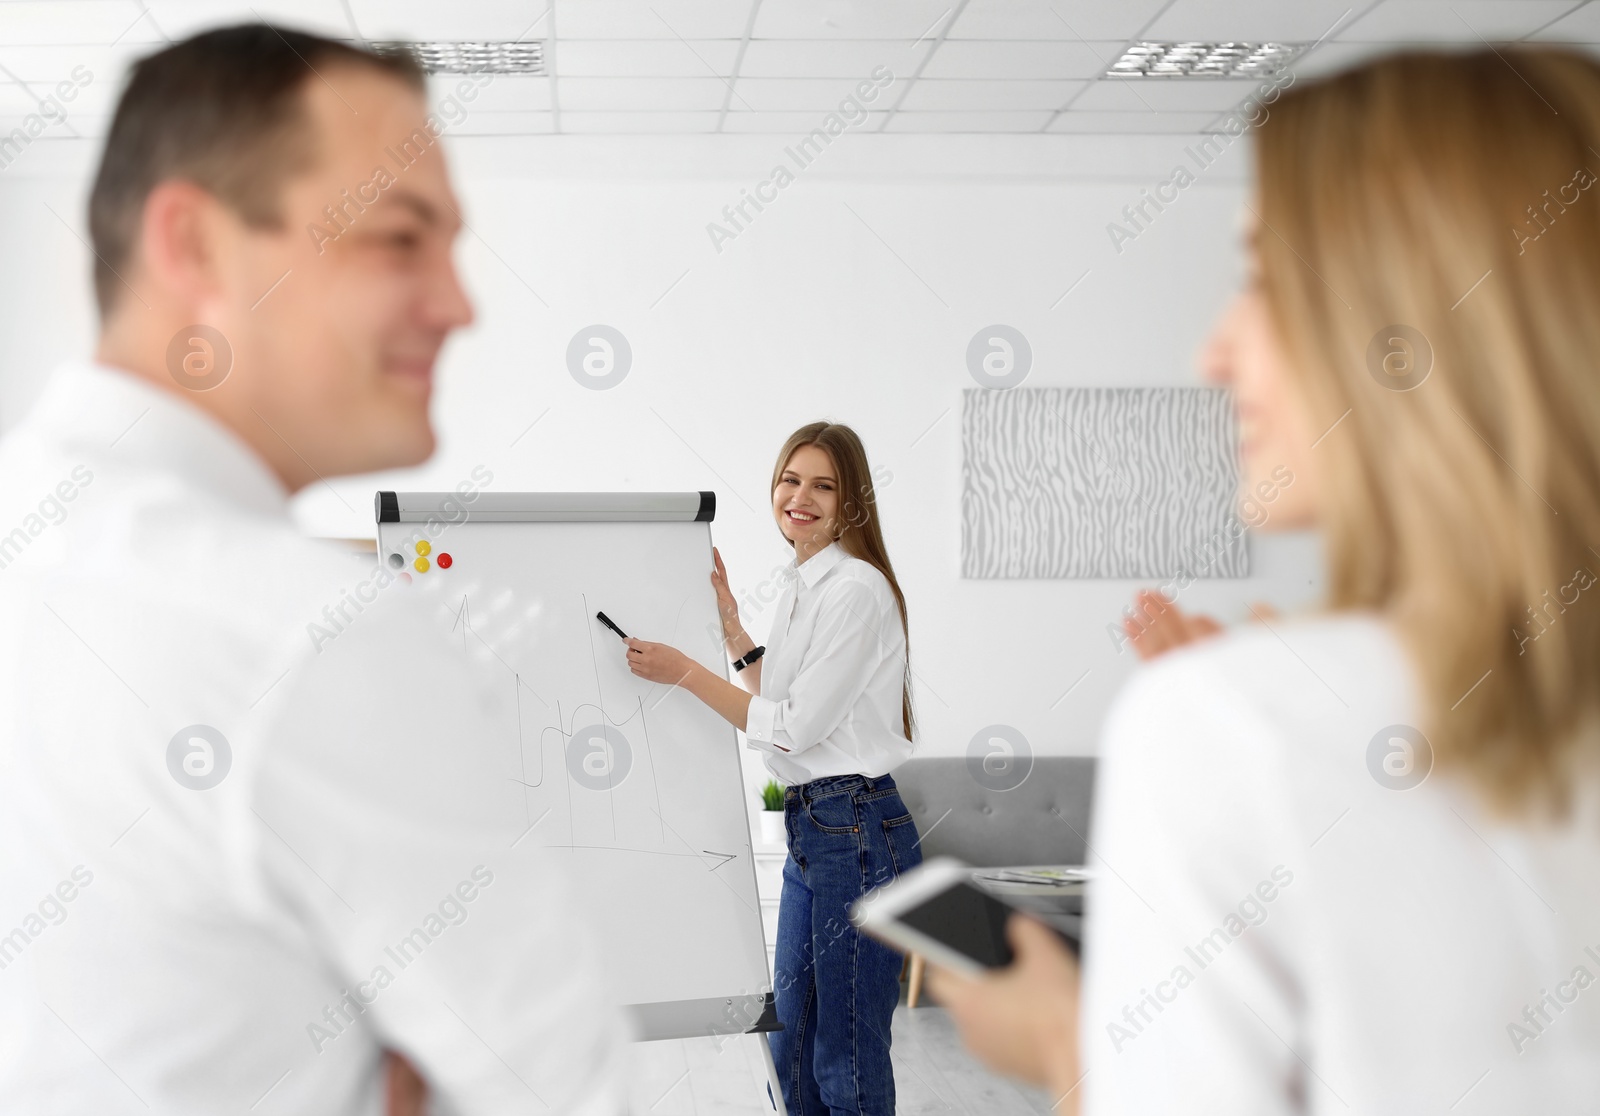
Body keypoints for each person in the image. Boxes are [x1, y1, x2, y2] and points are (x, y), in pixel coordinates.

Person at [930, 46, 1600, 1112]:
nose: (1213, 352)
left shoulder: (1229, 728)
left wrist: (1064, 1047)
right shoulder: (1254, 720)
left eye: (1266, 281)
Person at [0, 25, 625, 1114]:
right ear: (191, 246)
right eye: (398, 238)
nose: (460, 303)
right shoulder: (311, 635)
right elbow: (569, 1096)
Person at [623, 422, 921, 1114]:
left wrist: (687, 673)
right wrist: (733, 629)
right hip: (821, 830)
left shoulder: (854, 590)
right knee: (788, 1045)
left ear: (851, 501)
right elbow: (783, 702)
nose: (801, 496)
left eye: (823, 485)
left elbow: (792, 729)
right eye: (791, 479)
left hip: (859, 833)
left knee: (844, 1054)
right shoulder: (803, 584)